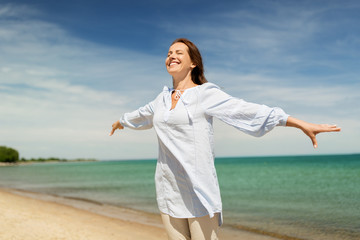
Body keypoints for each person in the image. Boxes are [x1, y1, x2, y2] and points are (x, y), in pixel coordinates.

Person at [109, 38, 341, 240]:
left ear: (193, 63)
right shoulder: (160, 100)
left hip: (199, 190)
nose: (171, 56)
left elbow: (247, 110)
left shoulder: (205, 93)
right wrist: (120, 122)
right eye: (169, 53)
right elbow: (139, 115)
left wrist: (299, 123)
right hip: (168, 188)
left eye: (178, 52)